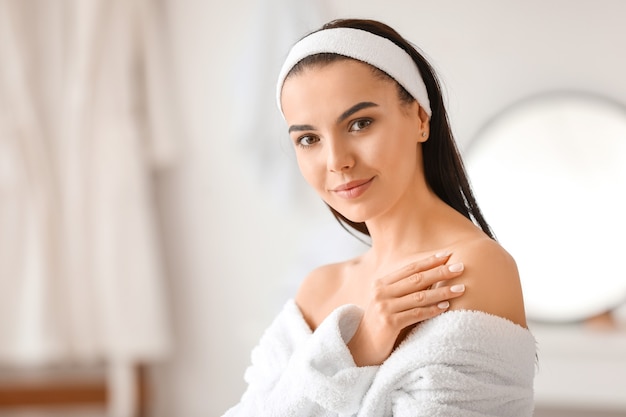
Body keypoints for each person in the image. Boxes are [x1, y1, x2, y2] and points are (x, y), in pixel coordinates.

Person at [223, 18, 536, 416]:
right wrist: (358, 348)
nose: (337, 161)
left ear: (421, 119)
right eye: (308, 139)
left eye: (360, 123)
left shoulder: (468, 270)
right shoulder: (319, 287)